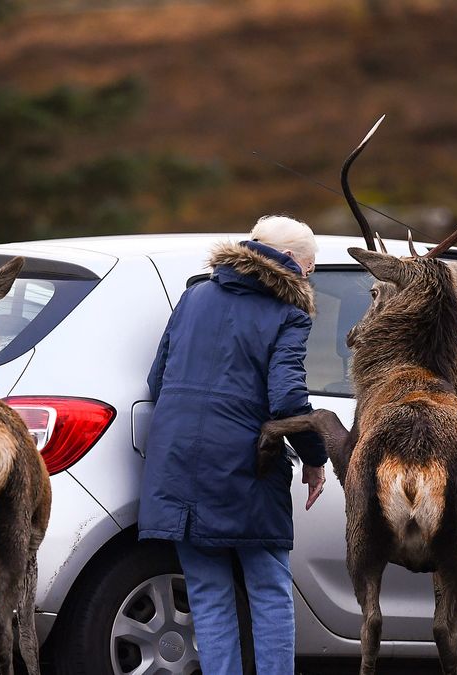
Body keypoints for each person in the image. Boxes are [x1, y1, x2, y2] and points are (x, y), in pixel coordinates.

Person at [139, 215, 328, 675]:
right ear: (295, 266)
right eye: (311, 268)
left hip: (176, 465)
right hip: (245, 466)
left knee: (207, 593)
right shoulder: (288, 314)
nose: (311, 277)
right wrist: (315, 458)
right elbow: (287, 399)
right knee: (269, 591)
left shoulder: (194, 295)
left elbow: (157, 379)